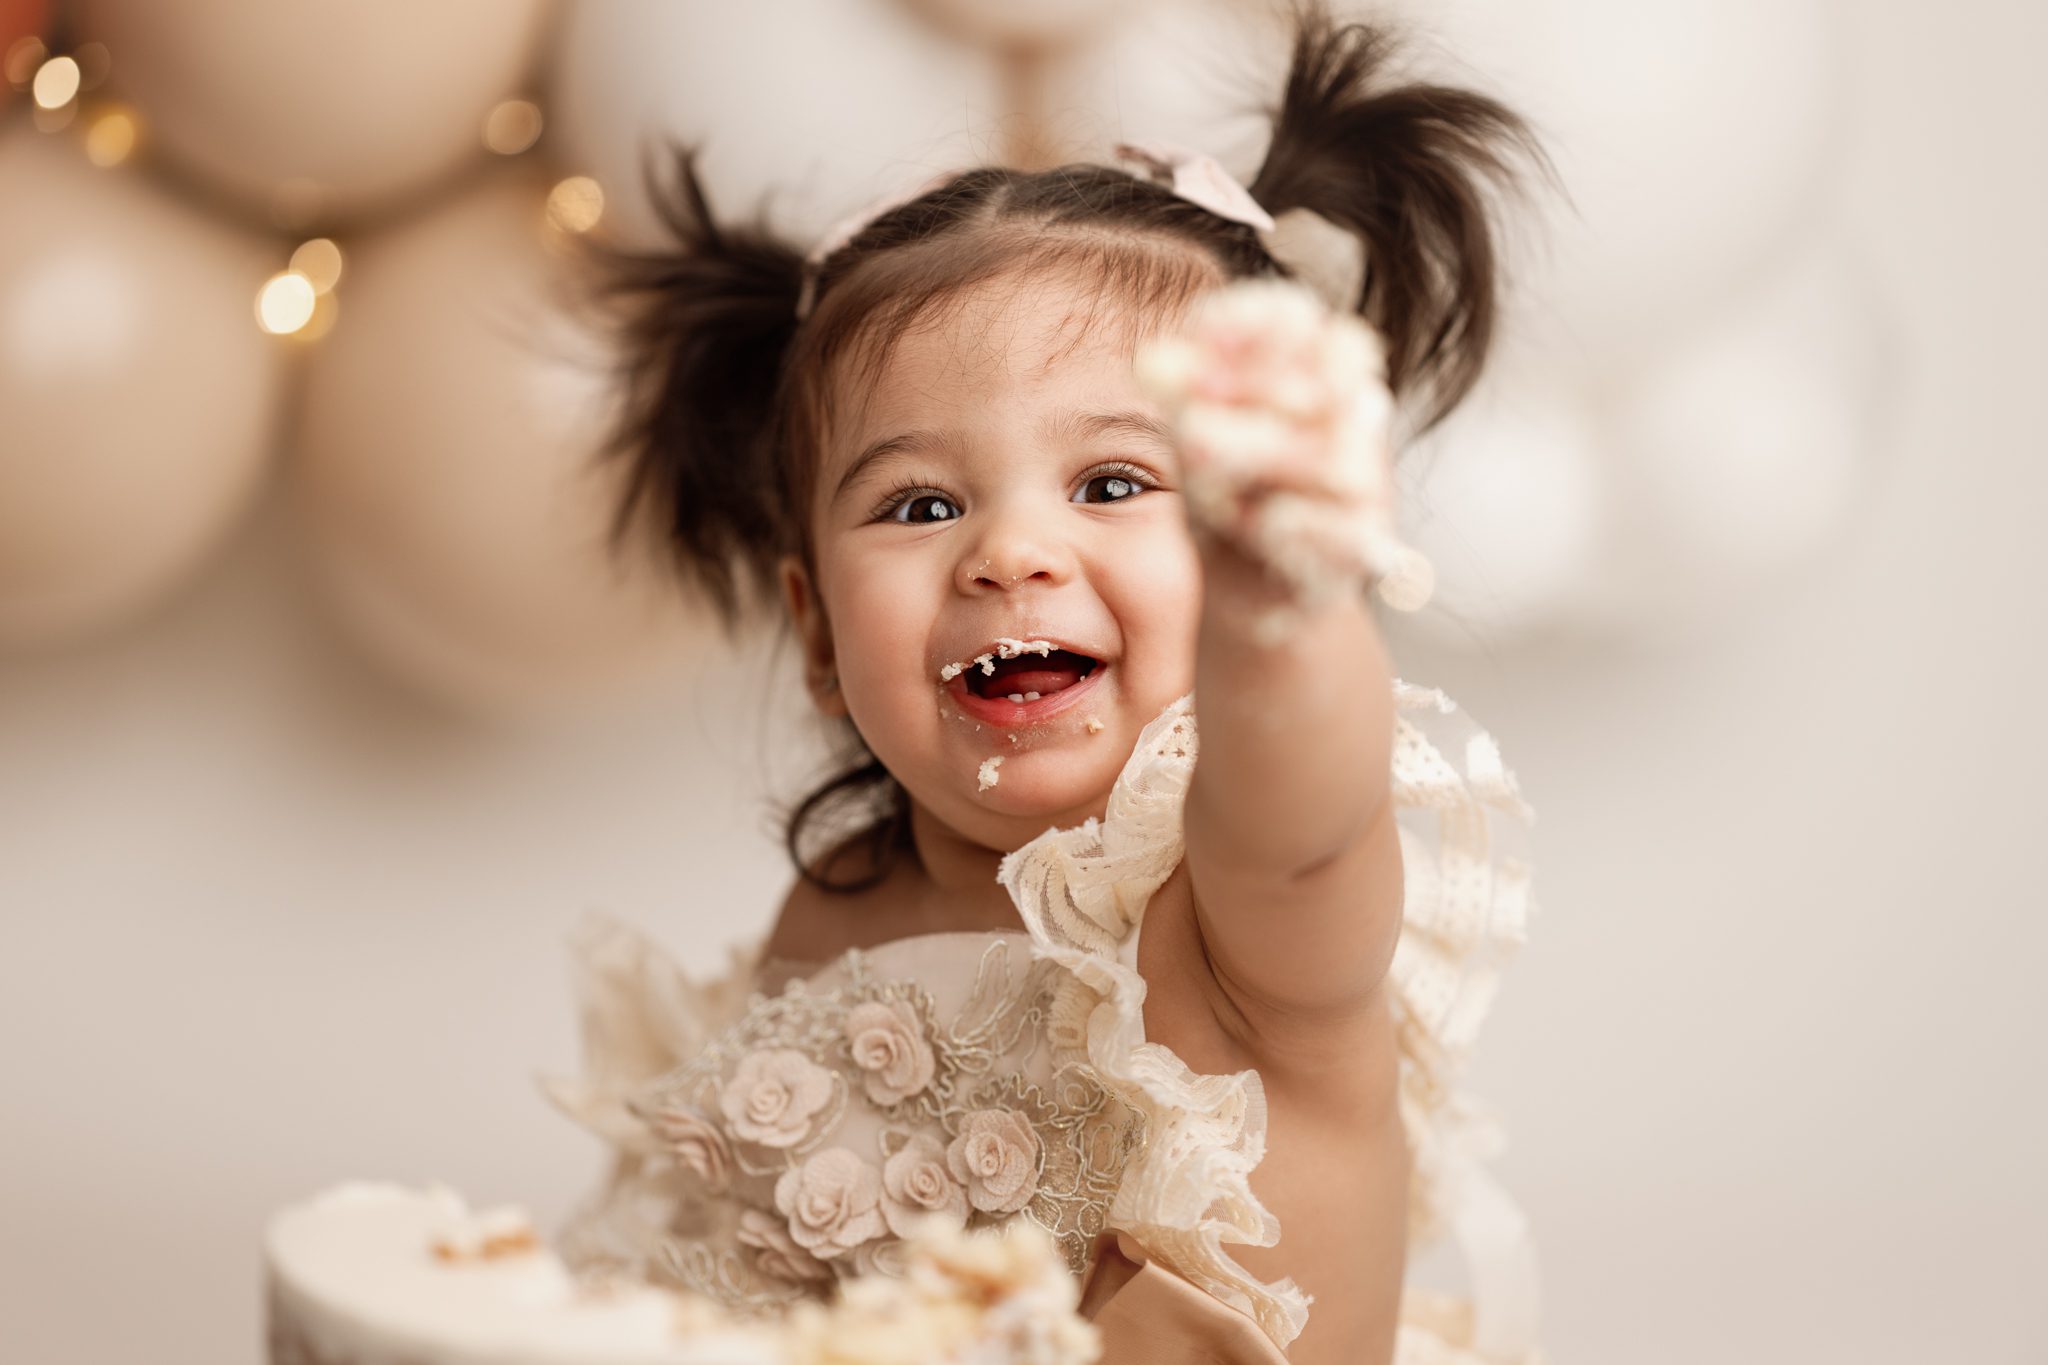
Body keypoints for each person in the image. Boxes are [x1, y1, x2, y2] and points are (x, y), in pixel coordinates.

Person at [545, 9, 1553, 1363]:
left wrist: (1278, 602)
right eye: (918, 502)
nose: (1010, 550)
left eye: (1117, 483)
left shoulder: (1235, 903)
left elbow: (1304, 814)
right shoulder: (840, 901)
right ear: (820, 631)